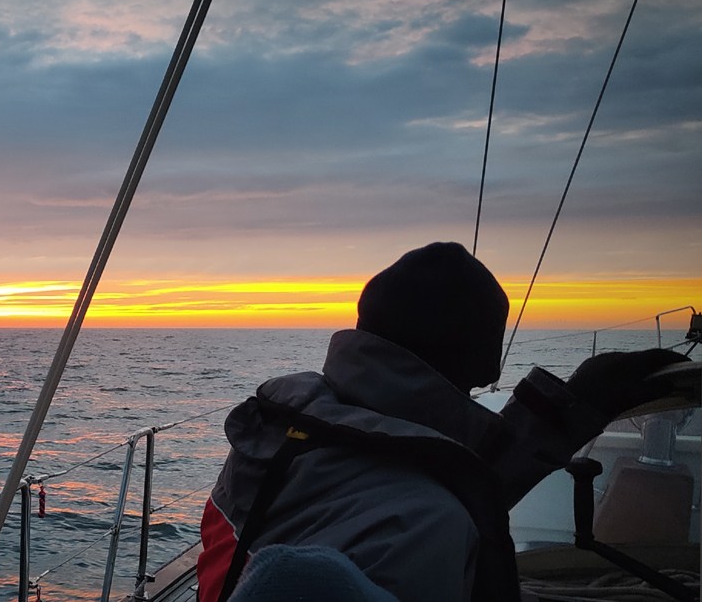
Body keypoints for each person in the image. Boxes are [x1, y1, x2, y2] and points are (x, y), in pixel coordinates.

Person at [194, 242, 688, 602]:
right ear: (487, 363)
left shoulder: (286, 428)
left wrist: (566, 410)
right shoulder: (427, 522)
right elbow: (420, 499)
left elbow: (411, 478)